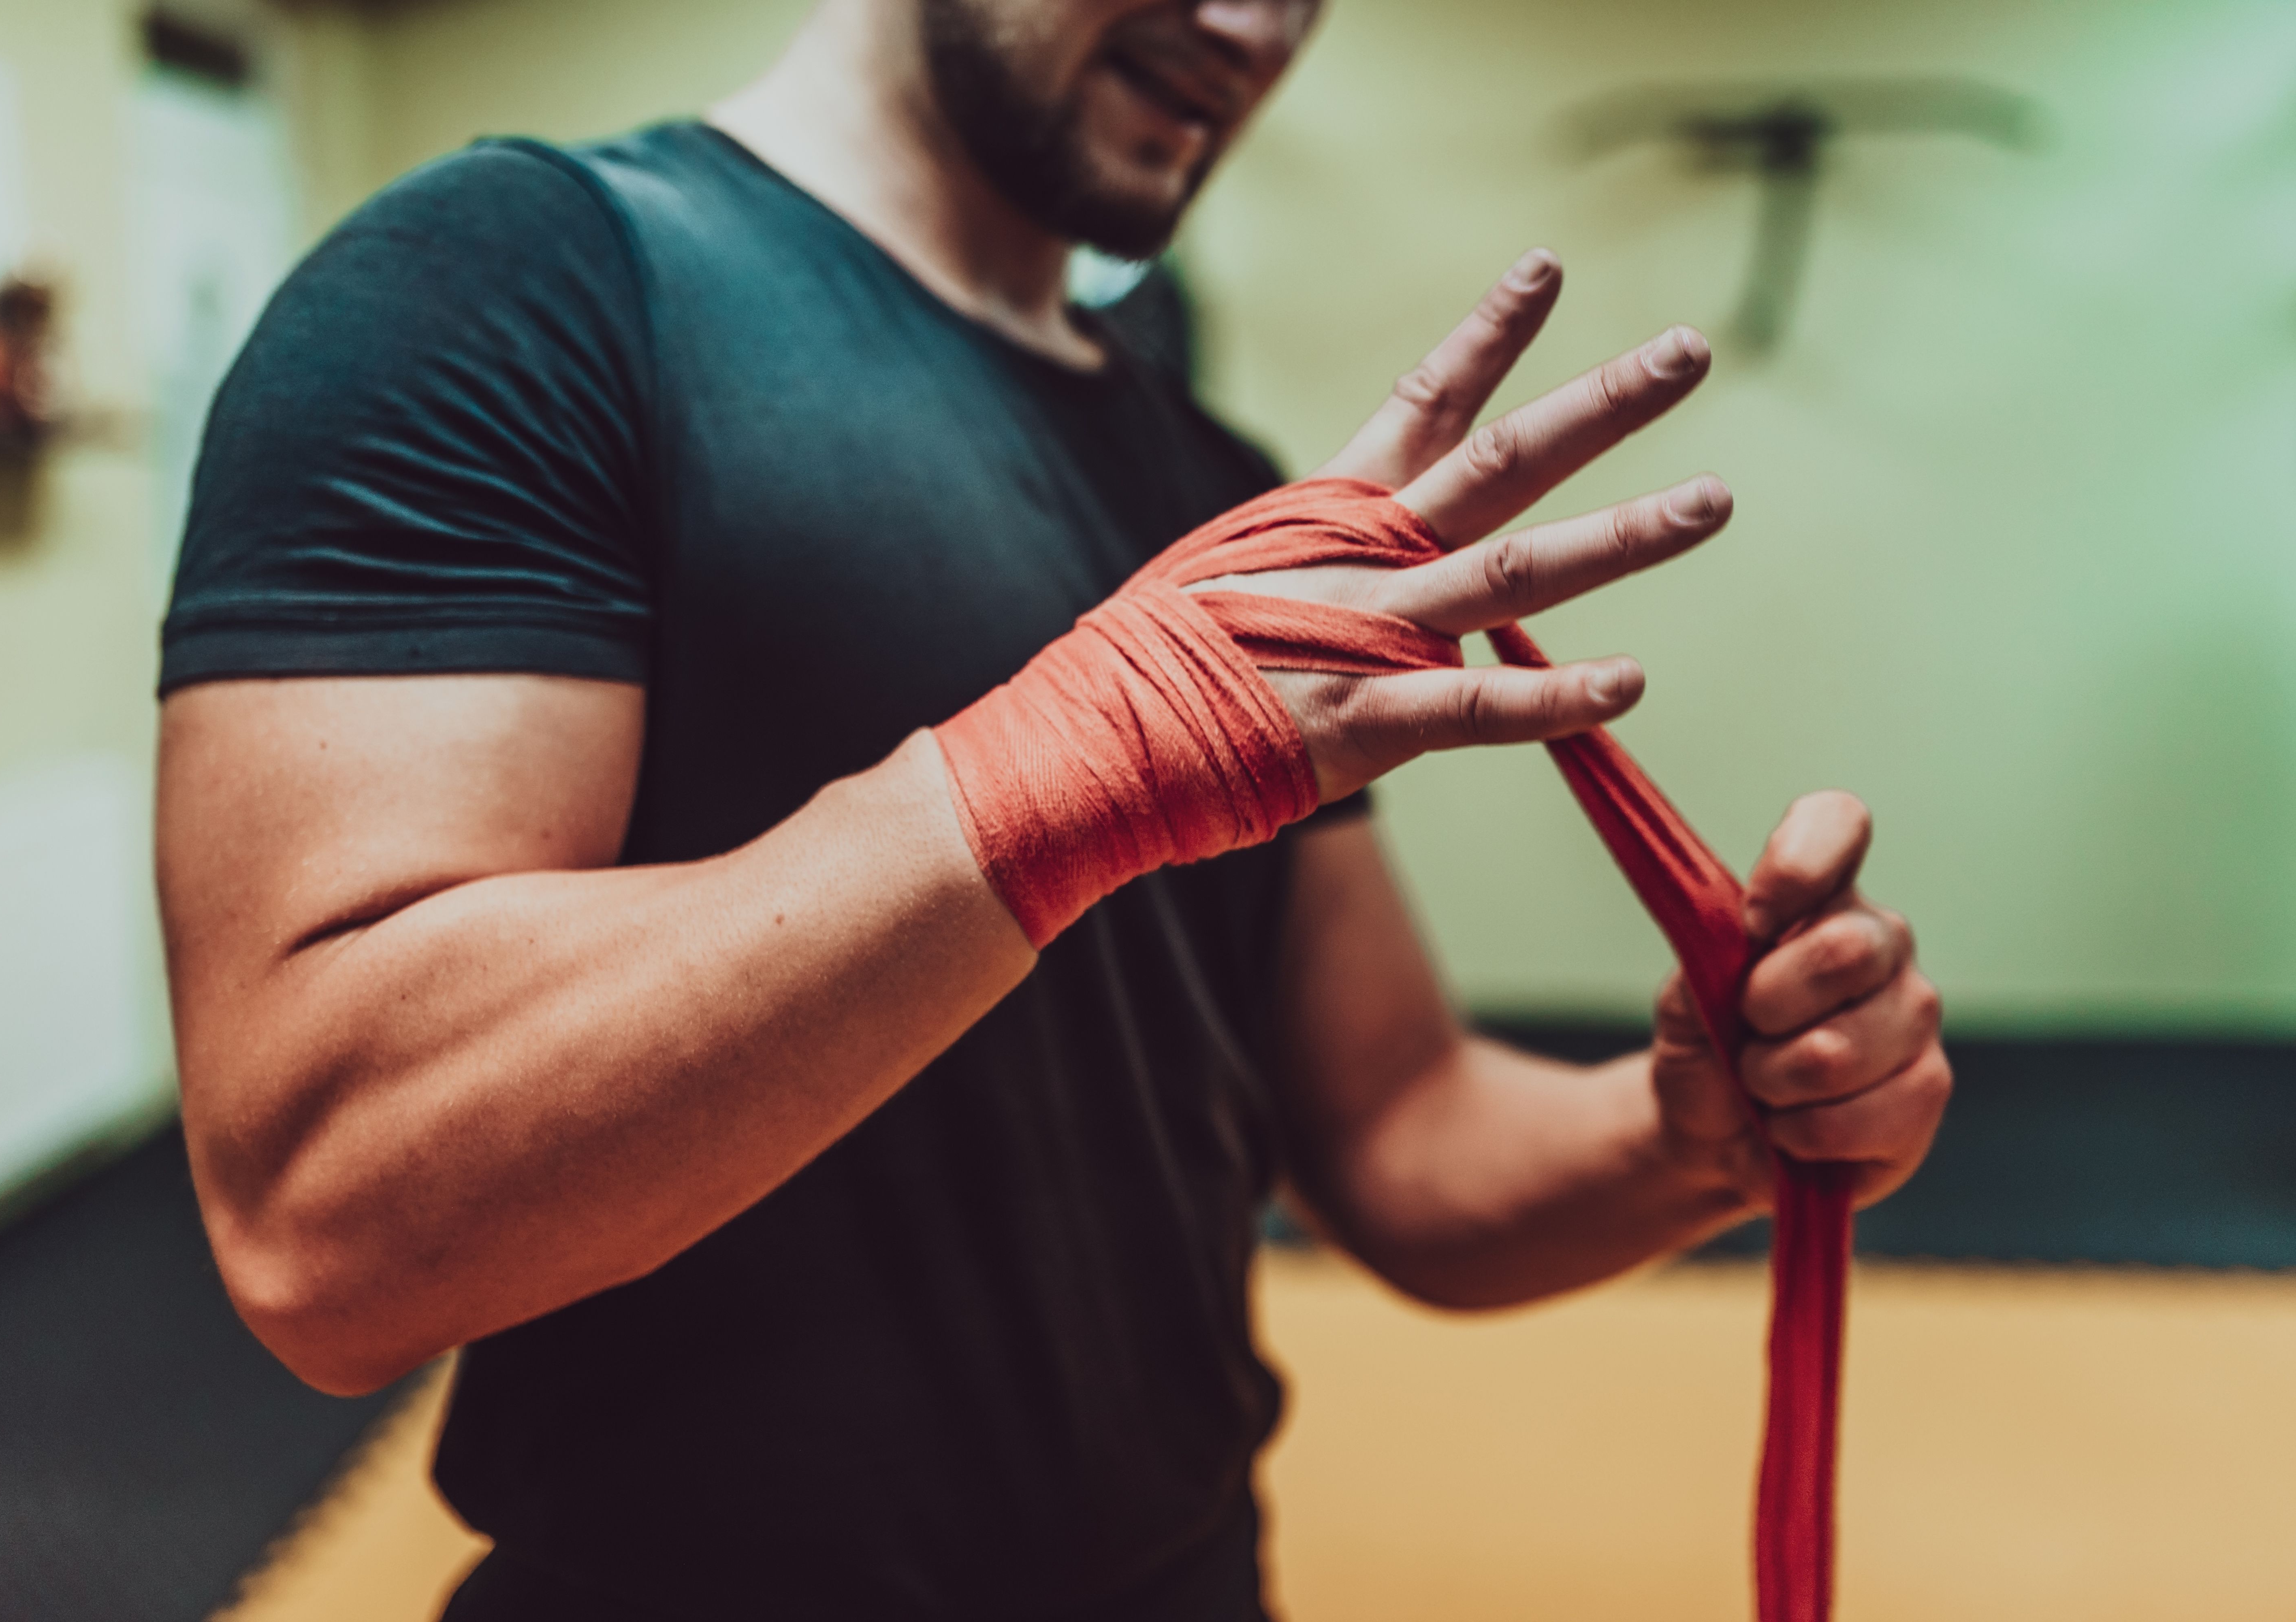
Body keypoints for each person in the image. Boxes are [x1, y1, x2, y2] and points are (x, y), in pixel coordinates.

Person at [154, 1, 1951, 1616]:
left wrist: (1713, 1131)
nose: (1260, 27)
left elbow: (1401, 1135)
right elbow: (329, 1211)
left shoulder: (1205, 481)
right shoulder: (514, 283)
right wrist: (1064, 769)